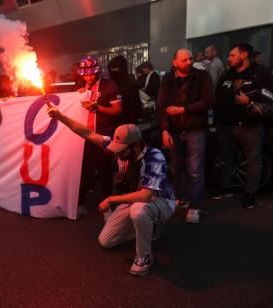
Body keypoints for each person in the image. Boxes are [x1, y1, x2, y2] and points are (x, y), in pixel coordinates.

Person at [47, 105, 175, 276]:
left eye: (122, 151)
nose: (118, 154)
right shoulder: (121, 148)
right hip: (135, 200)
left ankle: (144, 258)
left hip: (160, 201)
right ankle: (147, 228)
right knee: (106, 241)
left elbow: (145, 196)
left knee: (138, 211)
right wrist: (60, 116)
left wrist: (111, 200)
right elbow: (87, 133)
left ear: (136, 146)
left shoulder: (154, 157)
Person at [213, 43, 273, 208]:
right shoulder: (226, 76)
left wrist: (250, 103)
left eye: (232, 55)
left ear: (244, 55)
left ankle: (250, 193)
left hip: (250, 126)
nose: (228, 58)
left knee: (253, 160)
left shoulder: (262, 74)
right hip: (225, 126)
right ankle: (225, 189)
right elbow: (218, 98)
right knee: (226, 158)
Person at [158, 49, 214, 224]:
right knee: (177, 168)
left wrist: (183, 109)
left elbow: (209, 101)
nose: (189, 62)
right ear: (175, 62)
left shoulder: (202, 76)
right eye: (184, 60)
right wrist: (165, 130)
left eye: (190, 59)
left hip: (195, 129)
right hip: (174, 131)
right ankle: (181, 198)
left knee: (195, 170)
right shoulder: (167, 80)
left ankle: (195, 206)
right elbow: (161, 107)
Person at [76, 55, 124, 214]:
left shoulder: (109, 85)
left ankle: (107, 207)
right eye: (85, 74)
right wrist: (79, 94)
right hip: (84, 136)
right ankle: (81, 204)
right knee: (84, 171)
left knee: (104, 172)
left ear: (97, 71)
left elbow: (118, 110)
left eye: (91, 73)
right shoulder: (82, 86)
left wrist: (98, 108)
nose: (88, 77)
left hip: (103, 136)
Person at [108, 55, 142, 124]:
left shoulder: (130, 83)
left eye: (115, 68)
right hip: (111, 122)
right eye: (111, 68)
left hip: (128, 122)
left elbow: (135, 106)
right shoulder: (110, 81)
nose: (113, 70)